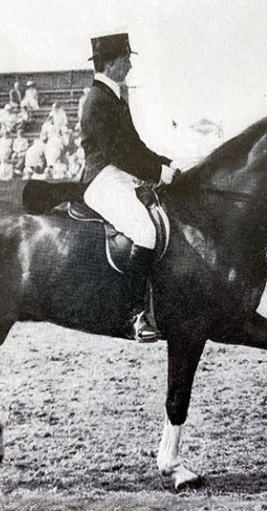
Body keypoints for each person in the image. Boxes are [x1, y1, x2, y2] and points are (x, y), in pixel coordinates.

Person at [80, 33, 180, 342]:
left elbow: (134, 146)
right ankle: (136, 315)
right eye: (126, 60)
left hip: (119, 175)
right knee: (145, 231)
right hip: (103, 178)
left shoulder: (114, 96)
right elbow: (117, 153)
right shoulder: (97, 100)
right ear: (110, 63)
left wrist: (166, 163)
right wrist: (156, 172)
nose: (130, 65)